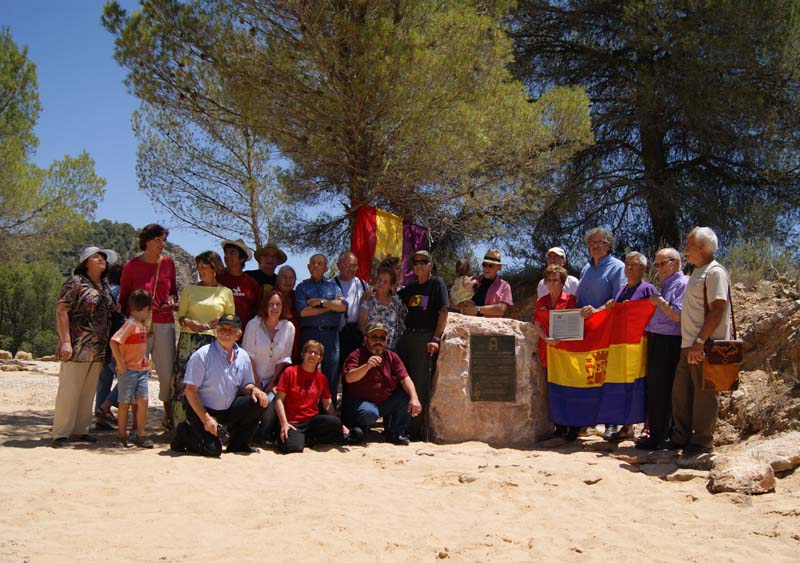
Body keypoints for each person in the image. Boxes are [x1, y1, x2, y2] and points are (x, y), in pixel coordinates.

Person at [671, 227, 731, 455]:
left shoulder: (715, 272)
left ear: (703, 248)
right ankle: (681, 437)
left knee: (705, 394)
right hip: (689, 344)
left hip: (704, 345)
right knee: (682, 392)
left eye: (689, 244)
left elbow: (717, 310)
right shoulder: (697, 271)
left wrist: (699, 341)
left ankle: (701, 441)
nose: (685, 248)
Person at [171, 314, 268, 456]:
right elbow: (190, 391)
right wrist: (206, 419)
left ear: (238, 334)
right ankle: (184, 433)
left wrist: (254, 389)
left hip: (227, 409)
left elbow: (245, 385)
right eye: (222, 328)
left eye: (230, 330)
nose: (225, 333)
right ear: (216, 330)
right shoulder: (202, 355)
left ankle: (239, 445)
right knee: (213, 450)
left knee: (259, 401)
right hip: (202, 410)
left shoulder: (243, 356)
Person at [52, 246, 118, 448]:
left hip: (98, 347)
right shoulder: (75, 282)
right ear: (85, 262)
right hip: (78, 343)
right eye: (96, 257)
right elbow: (62, 309)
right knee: (70, 388)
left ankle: (81, 429)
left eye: (103, 258)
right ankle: (61, 432)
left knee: (88, 389)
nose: (102, 260)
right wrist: (65, 341)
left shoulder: (104, 286)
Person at [119, 224, 178, 428]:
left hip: (164, 322)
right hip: (140, 326)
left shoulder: (169, 264)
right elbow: (125, 296)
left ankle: (168, 415)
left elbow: (174, 291)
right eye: (158, 240)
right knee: (137, 370)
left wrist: (171, 299)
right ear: (147, 241)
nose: (162, 244)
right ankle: (137, 422)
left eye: (163, 240)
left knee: (167, 370)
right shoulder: (131, 265)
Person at [171, 251, 235, 426]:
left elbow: (231, 320)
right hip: (188, 340)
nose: (201, 271)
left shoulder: (225, 292)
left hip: (212, 342)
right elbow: (181, 315)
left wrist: (219, 323)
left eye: (204, 267)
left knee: (207, 385)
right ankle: (179, 425)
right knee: (183, 382)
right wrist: (190, 323)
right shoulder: (190, 289)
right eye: (199, 267)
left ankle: (205, 424)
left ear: (214, 268)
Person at [599, 251, 658, 440]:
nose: (629, 268)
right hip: (622, 347)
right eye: (627, 264)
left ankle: (648, 427)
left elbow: (655, 314)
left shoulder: (648, 289)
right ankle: (627, 427)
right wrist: (610, 306)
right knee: (626, 385)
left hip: (641, 345)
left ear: (643, 268)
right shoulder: (621, 290)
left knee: (643, 384)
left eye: (633, 265)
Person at [636, 247, 687, 450]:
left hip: (669, 341)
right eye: (656, 264)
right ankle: (659, 433)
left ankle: (661, 436)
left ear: (675, 262)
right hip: (659, 339)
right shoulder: (667, 284)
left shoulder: (682, 283)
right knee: (658, 388)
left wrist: (660, 303)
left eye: (662, 263)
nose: (658, 268)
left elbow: (678, 315)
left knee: (664, 389)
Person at [343, 322, 422, 445]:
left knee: (407, 396)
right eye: (374, 337)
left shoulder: (392, 356)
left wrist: (415, 398)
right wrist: (367, 366)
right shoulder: (356, 355)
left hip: (383, 403)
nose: (378, 341)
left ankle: (396, 433)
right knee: (370, 413)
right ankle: (359, 429)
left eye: (382, 338)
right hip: (360, 404)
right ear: (366, 339)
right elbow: (349, 378)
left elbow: (405, 378)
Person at [397, 250, 448, 440]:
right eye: (415, 262)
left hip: (424, 339)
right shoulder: (410, 289)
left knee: (419, 384)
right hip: (406, 338)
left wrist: (435, 338)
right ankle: (399, 426)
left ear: (430, 265)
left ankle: (414, 429)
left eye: (423, 261)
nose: (418, 265)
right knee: (403, 382)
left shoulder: (436, 284)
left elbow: (443, 312)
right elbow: (393, 297)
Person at [273, 340, 359, 453]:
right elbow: (279, 400)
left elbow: (327, 404)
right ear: (303, 355)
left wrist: (340, 425)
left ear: (320, 359)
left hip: (312, 421)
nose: (312, 355)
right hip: (293, 422)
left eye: (316, 353)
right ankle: (279, 437)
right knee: (294, 448)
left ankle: (308, 438)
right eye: (309, 352)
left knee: (335, 423)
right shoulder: (290, 372)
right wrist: (284, 423)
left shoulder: (321, 378)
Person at [241, 289, 295, 442]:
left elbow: (283, 359)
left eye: (278, 304)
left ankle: (263, 435)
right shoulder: (253, 325)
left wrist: (272, 383)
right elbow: (248, 356)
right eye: (271, 304)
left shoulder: (288, 327)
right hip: (251, 377)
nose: (275, 308)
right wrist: (257, 383)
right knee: (254, 400)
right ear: (265, 306)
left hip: (273, 378)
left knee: (271, 401)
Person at [532, 265, 579, 441]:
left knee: (568, 388)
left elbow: (574, 324)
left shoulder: (571, 300)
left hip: (566, 351)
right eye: (549, 280)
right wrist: (546, 339)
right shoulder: (541, 302)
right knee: (553, 389)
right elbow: (536, 323)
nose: (552, 283)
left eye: (556, 280)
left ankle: (573, 428)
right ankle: (559, 427)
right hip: (548, 349)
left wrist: (561, 339)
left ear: (563, 282)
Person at [295, 254, 347, 406]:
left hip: (330, 334)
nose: (316, 266)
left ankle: (328, 412)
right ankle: (303, 408)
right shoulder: (302, 287)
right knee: (305, 372)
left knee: (331, 373)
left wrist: (320, 302)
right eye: (314, 263)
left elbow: (343, 307)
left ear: (325, 268)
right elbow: (303, 312)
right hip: (309, 333)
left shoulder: (333, 287)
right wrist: (329, 306)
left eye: (320, 263)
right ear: (308, 267)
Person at [109, 289, 154, 449]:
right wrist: (120, 362)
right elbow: (114, 342)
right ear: (144, 309)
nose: (149, 314)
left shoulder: (141, 325)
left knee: (143, 401)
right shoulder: (130, 324)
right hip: (128, 370)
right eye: (149, 311)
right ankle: (121, 436)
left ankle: (140, 435)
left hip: (140, 370)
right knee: (124, 403)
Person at [94, 262, 124, 430]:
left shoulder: (105, 291)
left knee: (104, 379)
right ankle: (105, 406)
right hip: (119, 340)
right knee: (128, 376)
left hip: (104, 339)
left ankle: (100, 419)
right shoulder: (121, 293)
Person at [577, 227, 627, 317]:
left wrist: (597, 311)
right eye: (592, 242)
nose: (595, 246)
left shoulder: (618, 267)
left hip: (605, 323)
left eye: (600, 242)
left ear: (609, 246)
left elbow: (619, 299)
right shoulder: (586, 269)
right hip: (584, 323)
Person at [333, 251, 369, 375]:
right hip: (337, 335)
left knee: (353, 370)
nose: (351, 269)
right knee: (334, 372)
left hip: (356, 334)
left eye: (354, 266)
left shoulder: (363, 284)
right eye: (347, 265)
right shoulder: (330, 284)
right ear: (338, 265)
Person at [218, 238, 262, 334]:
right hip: (218, 336)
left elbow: (258, 312)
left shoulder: (252, 284)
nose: (227, 256)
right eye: (226, 252)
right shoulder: (217, 278)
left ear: (242, 258)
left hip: (244, 337)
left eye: (232, 253)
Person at [358, 265, 405, 351]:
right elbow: (361, 324)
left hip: (391, 349)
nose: (381, 284)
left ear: (391, 286)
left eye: (385, 282)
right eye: (379, 280)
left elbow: (401, 323)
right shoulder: (368, 299)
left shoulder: (397, 301)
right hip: (370, 348)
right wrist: (375, 341)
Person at [457, 249, 513, 318]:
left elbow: (501, 309)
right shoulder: (472, 280)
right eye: (484, 264)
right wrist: (462, 306)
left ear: (499, 267)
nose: (486, 268)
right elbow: (455, 297)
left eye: (491, 265)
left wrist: (476, 309)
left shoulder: (504, 286)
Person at [276, 264, 300, 361]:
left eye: (291, 278)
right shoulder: (271, 297)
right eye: (284, 277)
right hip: (275, 346)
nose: (288, 281)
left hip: (294, 345)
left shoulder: (297, 296)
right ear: (278, 280)